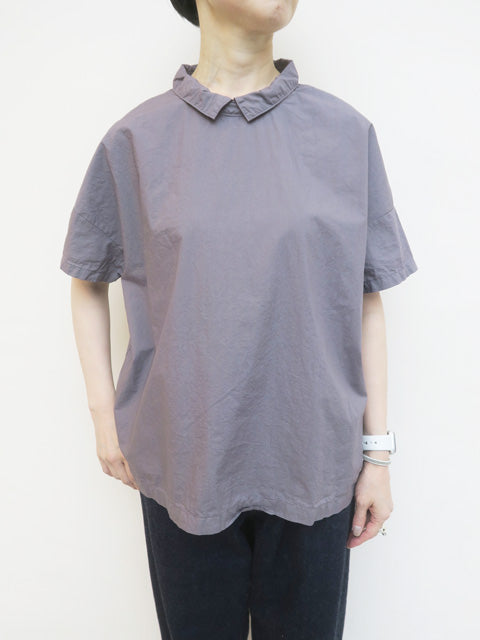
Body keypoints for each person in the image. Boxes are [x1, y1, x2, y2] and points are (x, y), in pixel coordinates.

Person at [59, 1, 418, 638]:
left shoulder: (344, 134)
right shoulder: (137, 141)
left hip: (313, 459)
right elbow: (87, 276)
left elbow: (364, 299)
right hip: (183, 458)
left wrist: (379, 456)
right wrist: (104, 420)